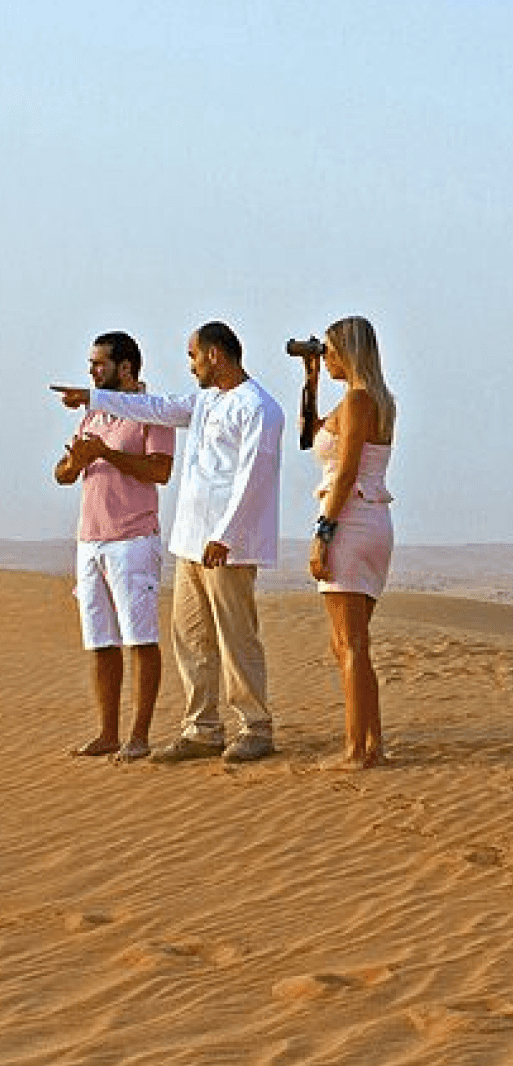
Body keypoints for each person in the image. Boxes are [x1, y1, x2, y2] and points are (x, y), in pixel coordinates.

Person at [52, 322, 285, 764]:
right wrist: (92, 398)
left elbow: (254, 477)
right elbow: (155, 407)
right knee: (191, 637)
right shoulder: (204, 401)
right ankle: (202, 729)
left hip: (227, 544)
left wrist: (225, 535)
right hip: (191, 541)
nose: (190, 365)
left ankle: (255, 727)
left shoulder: (258, 406)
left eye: (193, 356)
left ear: (214, 355)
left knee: (235, 636)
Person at [52, 332, 175, 762]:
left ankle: (138, 736)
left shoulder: (154, 411)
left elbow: (160, 471)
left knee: (141, 638)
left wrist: (105, 453)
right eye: (91, 363)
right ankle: (107, 733)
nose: (91, 371)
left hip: (133, 539)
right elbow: (63, 473)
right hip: (90, 540)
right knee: (100, 640)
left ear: (125, 368)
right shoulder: (93, 414)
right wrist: (78, 460)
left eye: (99, 364)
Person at [300, 316, 395, 770]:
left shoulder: (358, 401)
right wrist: (311, 382)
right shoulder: (371, 401)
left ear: (349, 352)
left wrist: (323, 535)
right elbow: (308, 437)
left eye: (330, 350)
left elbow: (345, 475)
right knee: (352, 642)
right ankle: (371, 743)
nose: (326, 357)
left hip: (350, 521)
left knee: (348, 642)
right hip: (369, 520)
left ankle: (356, 751)